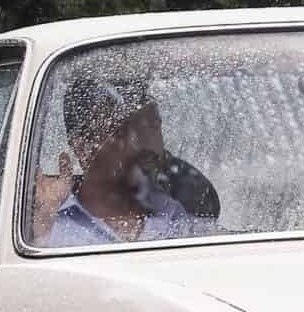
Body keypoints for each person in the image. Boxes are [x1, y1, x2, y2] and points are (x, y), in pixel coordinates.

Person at [35, 77, 207, 246]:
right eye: (118, 132)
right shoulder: (53, 226)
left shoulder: (172, 214)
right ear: (83, 149)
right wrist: (43, 225)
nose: (138, 143)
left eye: (149, 127)